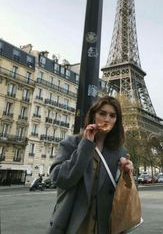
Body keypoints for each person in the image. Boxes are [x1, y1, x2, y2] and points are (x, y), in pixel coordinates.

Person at [47, 96, 133, 234]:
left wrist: (127, 175)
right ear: (93, 116)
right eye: (102, 113)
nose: (107, 119)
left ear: (117, 121)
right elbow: (60, 179)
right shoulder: (72, 143)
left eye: (112, 115)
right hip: (74, 224)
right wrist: (86, 145)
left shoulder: (120, 152)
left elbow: (124, 194)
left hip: (105, 225)